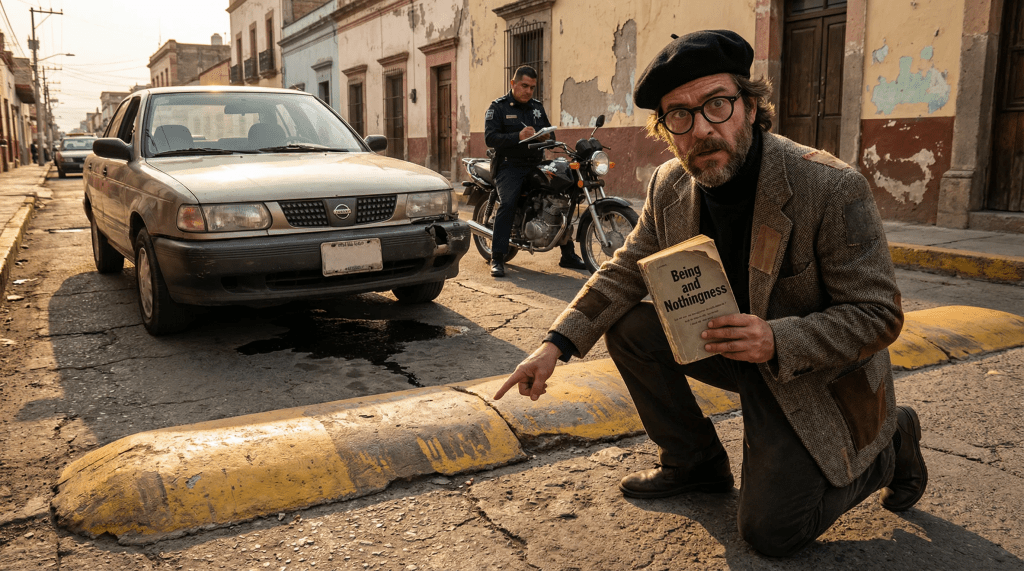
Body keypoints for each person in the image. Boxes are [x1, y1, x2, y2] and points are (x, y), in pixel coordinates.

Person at [493, 30, 927, 557]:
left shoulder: (830, 187)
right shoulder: (670, 184)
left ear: (748, 105)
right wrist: (555, 344)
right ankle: (693, 463)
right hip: (727, 350)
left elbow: (879, 316)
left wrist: (776, 339)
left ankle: (889, 446)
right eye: (680, 115)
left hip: (808, 371)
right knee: (630, 324)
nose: (701, 129)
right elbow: (626, 268)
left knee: (772, 533)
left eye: (717, 105)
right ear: (666, 128)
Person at [484, 65, 587, 278]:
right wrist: (517, 137)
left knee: (562, 194)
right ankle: (497, 257)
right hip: (509, 165)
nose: (528, 91)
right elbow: (490, 138)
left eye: (532, 87)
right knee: (508, 203)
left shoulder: (537, 108)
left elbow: (549, 135)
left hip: (535, 163)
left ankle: (567, 254)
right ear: (513, 84)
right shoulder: (499, 108)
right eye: (524, 86)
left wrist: (545, 138)